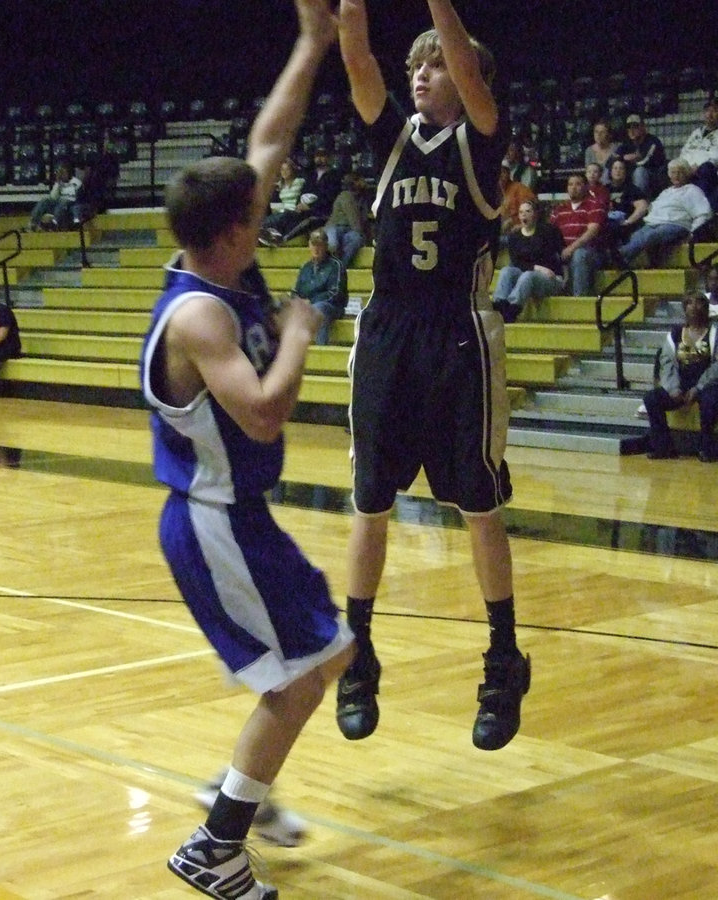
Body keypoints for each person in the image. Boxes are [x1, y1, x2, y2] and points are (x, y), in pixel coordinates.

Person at [146, 4, 353, 897]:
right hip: (212, 522)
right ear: (232, 230)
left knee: (327, 656)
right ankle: (216, 844)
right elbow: (265, 414)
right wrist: (302, 327)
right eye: (258, 213)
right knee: (300, 680)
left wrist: (313, 42)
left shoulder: (223, 256)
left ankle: (245, 787)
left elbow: (272, 133)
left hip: (241, 515)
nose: (269, 211)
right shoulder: (200, 314)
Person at [335, 0, 531, 753]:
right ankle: (357, 654)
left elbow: (470, 72)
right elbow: (357, 57)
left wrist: (440, 11)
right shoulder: (392, 142)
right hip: (389, 329)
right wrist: (353, 11)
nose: (421, 73)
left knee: (479, 504)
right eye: (415, 64)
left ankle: (504, 659)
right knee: (370, 501)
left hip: (457, 332)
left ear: (469, 76)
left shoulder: (480, 142)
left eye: (436, 63)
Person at [642, 292, 718, 461]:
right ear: (684, 308)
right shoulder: (675, 334)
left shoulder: (715, 332)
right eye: (689, 303)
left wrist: (697, 388)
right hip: (680, 384)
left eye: (699, 303)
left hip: (708, 384)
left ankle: (707, 448)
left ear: (706, 309)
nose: (694, 307)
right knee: (652, 398)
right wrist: (673, 388)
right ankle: (664, 447)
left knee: (710, 399)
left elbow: (716, 366)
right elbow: (667, 362)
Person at [618, 159, 712, 268]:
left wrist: (692, 233)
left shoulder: (692, 190)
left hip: (676, 224)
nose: (676, 175)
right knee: (636, 235)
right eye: (673, 172)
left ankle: (619, 255)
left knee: (650, 236)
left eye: (679, 172)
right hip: (654, 223)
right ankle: (623, 263)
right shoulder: (666, 192)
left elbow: (703, 214)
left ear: (686, 174)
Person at [492, 200, 564, 322]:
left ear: (535, 214)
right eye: (521, 212)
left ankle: (512, 308)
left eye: (528, 211)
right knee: (506, 271)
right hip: (529, 274)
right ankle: (499, 305)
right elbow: (516, 262)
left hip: (550, 277)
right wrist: (537, 267)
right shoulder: (514, 237)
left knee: (528, 275)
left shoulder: (548, 231)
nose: (524, 215)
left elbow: (560, 253)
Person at [549, 173, 605, 296]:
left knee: (579, 254)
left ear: (586, 187)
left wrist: (571, 248)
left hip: (590, 252)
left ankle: (579, 299)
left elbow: (593, 231)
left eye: (578, 184)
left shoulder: (594, 204)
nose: (573, 187)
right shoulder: (559, 209)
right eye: (570, 184)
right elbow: (549, 233)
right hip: (563, 252)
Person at [293, 228, 347, 343]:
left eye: (320, 245)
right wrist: (298, 303)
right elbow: (295, 292)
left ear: (326, 246)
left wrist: (310, 302)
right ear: (309, 245)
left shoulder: (336, 265)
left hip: (331, 307)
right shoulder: (305, 267)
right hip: (307, 306)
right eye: (314, 245)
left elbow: (335, 294)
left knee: (319, 309)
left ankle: (321, 349)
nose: (316, 249)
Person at [678, 96, 718, 212]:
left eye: (714, 110)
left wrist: (698, 166)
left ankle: (696, 209)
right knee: (671, 167)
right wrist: (686, 167)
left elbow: (715, 156)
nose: (709, 114)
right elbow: (684, 152)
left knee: (706, 168)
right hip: (689, 169)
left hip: (709, 172)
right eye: (707, 111)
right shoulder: (696, 133)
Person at [259, 157, 308, 245]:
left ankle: (265, 232)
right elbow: (275, 204)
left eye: (287, 169)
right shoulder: (280, 186)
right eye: (282, 170)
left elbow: (306, 194)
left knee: (282, 216)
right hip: (282, 212)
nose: (284, 172)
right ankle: (268, 235)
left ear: (292, 170)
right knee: (273, 217)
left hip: (294, 212)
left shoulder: (300, 182)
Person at [325, 171, 369, 268]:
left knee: (356, 239)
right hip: (335, 226)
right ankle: (328, 268)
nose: (364, 182)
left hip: (349, 231)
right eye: (359, 180)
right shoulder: (346, 195)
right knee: (333, 243)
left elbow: (364, 220)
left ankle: (340, 268)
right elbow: (354, 219)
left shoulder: (362, 199)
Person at [617, 113, 668, 197]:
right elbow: (612, 159)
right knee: (615, 168)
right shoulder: (626, 143)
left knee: (639, 171)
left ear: (643, 127)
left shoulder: (653, 141)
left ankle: (640, 201)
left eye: (635, 126)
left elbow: (646, 162)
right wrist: (623, 158)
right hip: (631, 173)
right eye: (629, 127)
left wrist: (628, 160)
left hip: (653, 176)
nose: (631, 130)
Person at [606, 157, 649, 246]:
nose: (618, 171)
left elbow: (642, 207)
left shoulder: (632, 189)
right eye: (615, 168)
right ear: (610, 171)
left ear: (626, 172)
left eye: (621, 168)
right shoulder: (604, 189)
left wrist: (628, 222)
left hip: (623, 225)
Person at [28, 162, 80, 231]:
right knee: (45, 199)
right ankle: (33, 222)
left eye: (64, 173)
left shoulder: (76, 182)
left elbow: (78, 197)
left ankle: (54, 222)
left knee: (63, 200)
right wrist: (58, 183)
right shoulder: (59, 183)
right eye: (61, 173)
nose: (62, 175)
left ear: (69, 173)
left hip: (70, 203)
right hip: (58, 203)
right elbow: (53, 197)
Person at [498, 164, 536, 246]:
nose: (500, 175)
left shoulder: (519, 188)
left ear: (508, 174)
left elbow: (533, 211)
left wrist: (520, 225)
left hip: (519, 235)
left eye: (503, 172)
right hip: (502, 234)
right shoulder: (496, 192)